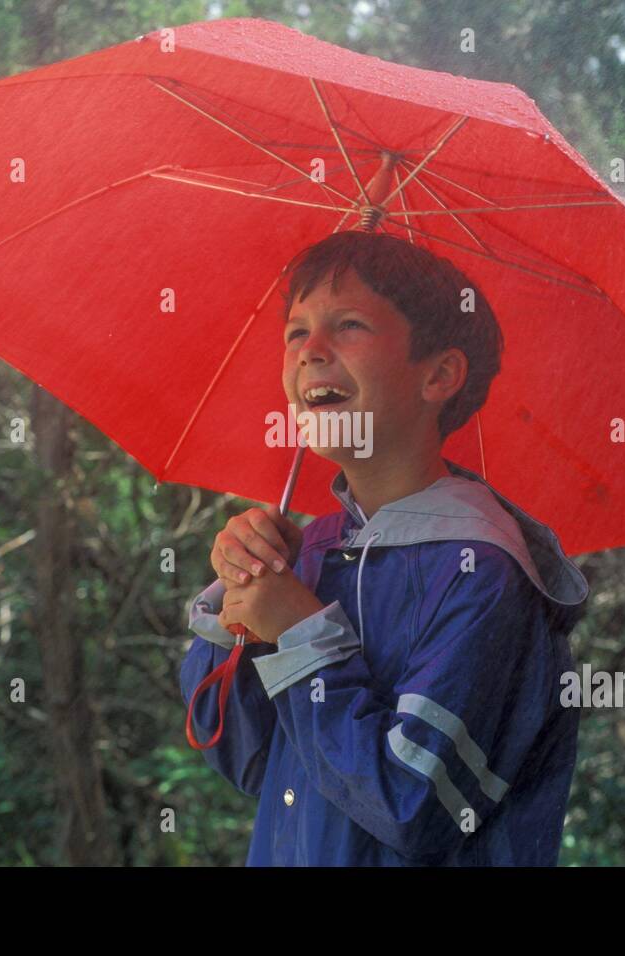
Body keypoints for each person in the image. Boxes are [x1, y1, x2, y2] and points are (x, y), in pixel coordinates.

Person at [179, 230, 590, 865]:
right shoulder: (313, 552)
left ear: (440, 375)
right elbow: (239, 754)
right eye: (295, 332)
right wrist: (243, 593)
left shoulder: (481, 574)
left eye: (349, 325)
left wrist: (298, 631)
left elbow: (414, 806)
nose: (310, 352)